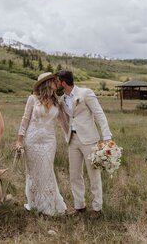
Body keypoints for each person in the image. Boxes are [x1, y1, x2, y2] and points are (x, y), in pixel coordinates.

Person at [56, 69, 112, 218]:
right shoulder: (61, 100)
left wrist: (107, 136)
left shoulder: (85, 93)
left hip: (89, 140)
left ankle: (97, 208)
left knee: (93, 174)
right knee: (74, 174)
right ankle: (79, 206)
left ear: (63, 82)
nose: (56, 84)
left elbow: (99, 114)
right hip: (72, 140)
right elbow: (64, 119)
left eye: (57, 82)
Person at [15, 72, 68, 216]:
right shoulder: (32, 99)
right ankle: (35, 203)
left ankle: (48, 205)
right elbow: (25, 120)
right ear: (46, 83)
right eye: (53, 80)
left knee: (47, 170)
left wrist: (71, 137)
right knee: (33, 173)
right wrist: (19, 140)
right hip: (32, 140)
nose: (56, 82)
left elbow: (64, 123)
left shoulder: (58, 102)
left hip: (49, 141)